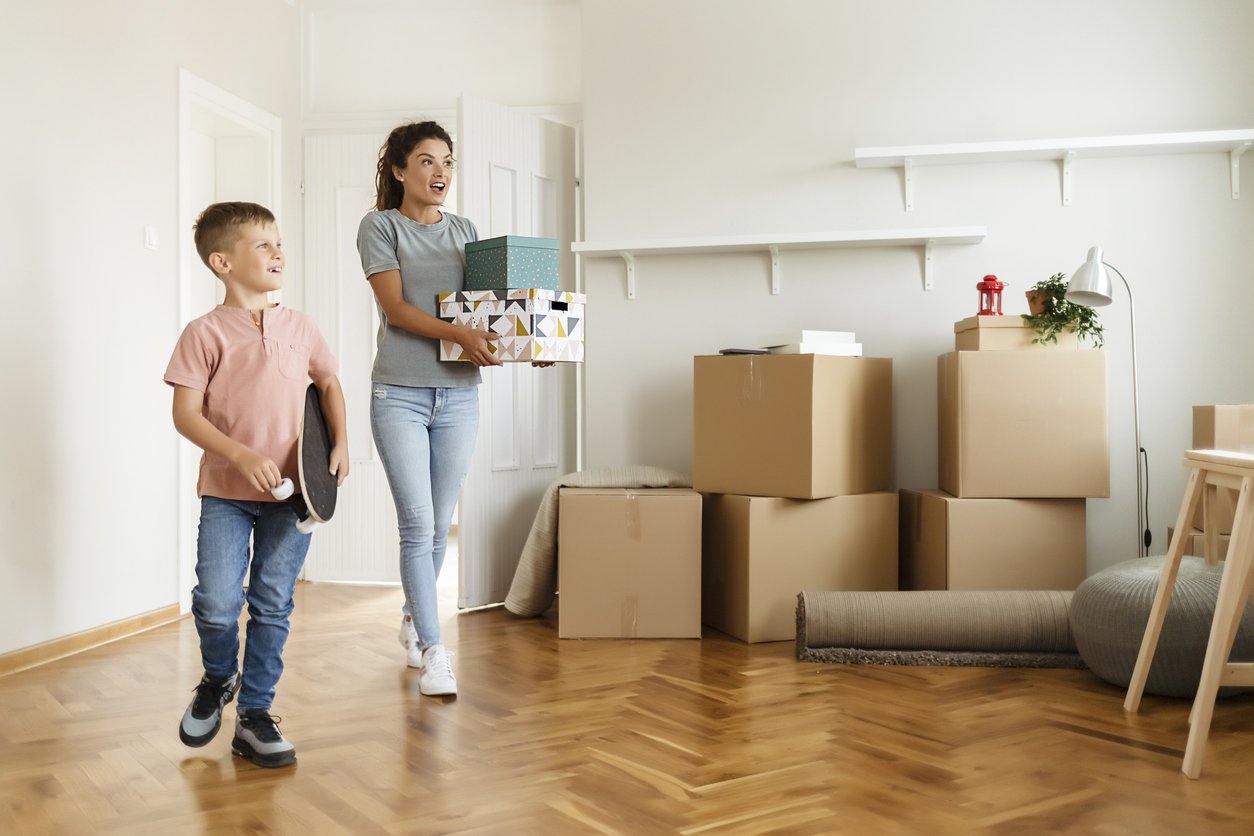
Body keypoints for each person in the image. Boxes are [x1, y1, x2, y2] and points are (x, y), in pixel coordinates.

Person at [165, 201, 349, 767]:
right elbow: (186, 415)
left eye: (278, 242)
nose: (277, 252)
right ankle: (219, 677)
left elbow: (328, 382)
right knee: (217, 604)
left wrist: (341, 444)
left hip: (294, 496)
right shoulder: (203, 333)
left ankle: (254, 715)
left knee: (272, 603)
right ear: (222, 262)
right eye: (262, 244)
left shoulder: (301, 326)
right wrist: (240, 454)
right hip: (225, 490)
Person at [356, 121, 502, 697]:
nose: (439, 173)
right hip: (400, 394)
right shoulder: (380, 226)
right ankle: (437, 653)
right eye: (425, 162)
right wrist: (461, 336)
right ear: (398, 171)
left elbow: (488, 310)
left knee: (440, 524)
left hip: (460, 395)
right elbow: (395, 309)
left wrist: (526, 347)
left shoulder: (464, 229)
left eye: (446, 162)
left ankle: (414, 620)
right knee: (418, 524)